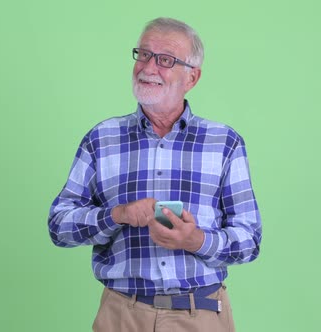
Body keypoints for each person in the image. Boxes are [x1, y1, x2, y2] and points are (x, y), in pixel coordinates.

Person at [48, 17, 262, 331]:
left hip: (200, 315)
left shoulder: (224, 143)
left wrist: (196, 240)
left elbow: (250, 241)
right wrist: (117, 215)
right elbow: (59, 225)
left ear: (192, 77)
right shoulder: (101, 138)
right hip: (121, 316)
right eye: (144, 54)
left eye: (165, 60)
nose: (149, 67)